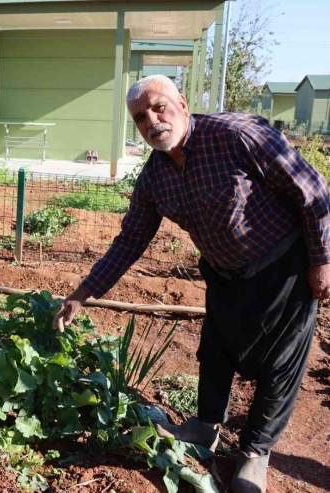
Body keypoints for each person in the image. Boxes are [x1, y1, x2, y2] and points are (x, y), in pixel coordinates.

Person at [52, 75, 330, 493]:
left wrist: (321, 261)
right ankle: (204, 427)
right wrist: (82, 294)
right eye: (140, 118)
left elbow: (313, 192)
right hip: (223, 273)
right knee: (215, 352)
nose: (152, 122)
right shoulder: (155, 177)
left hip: (283, 268)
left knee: (280, 364)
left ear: (182, 103)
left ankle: (255, 452)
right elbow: (131, 239)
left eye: (158, 107)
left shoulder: (237, 136)